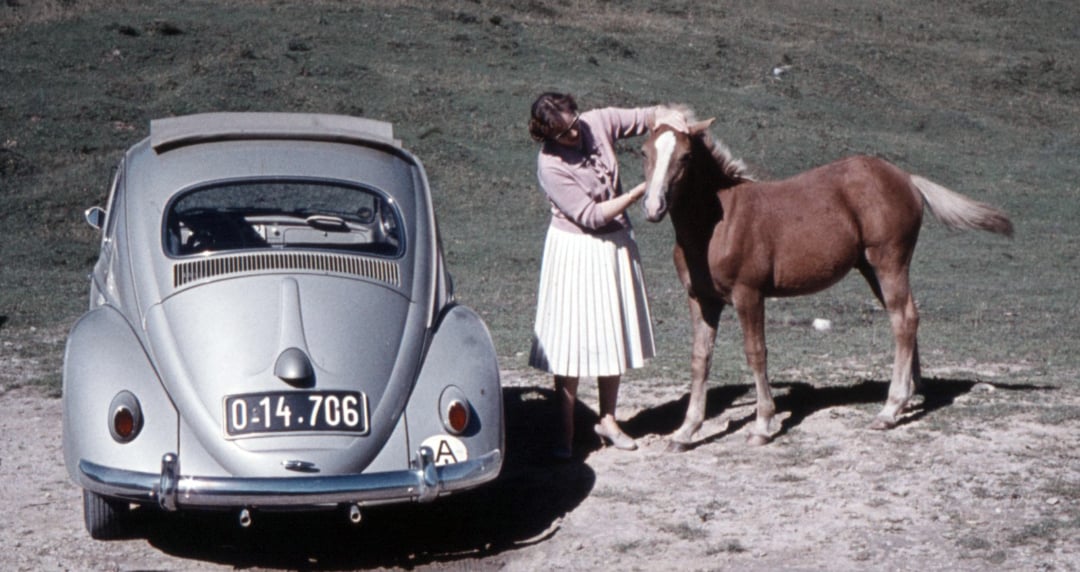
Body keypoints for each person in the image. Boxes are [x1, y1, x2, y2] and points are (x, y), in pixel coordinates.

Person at [527, 92, 657, 459]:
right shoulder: (551, 165)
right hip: (575, 250)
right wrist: (636, 193)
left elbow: (644, 115)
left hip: (614, 245)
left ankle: (608, 420)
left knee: (611, 333)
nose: (574, 134)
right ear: (548, 136)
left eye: (574, 123)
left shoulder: (596, 121)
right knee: (570, 344)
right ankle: (564, 432)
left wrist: (671, 117)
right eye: (563, 133)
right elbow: (591, 215)